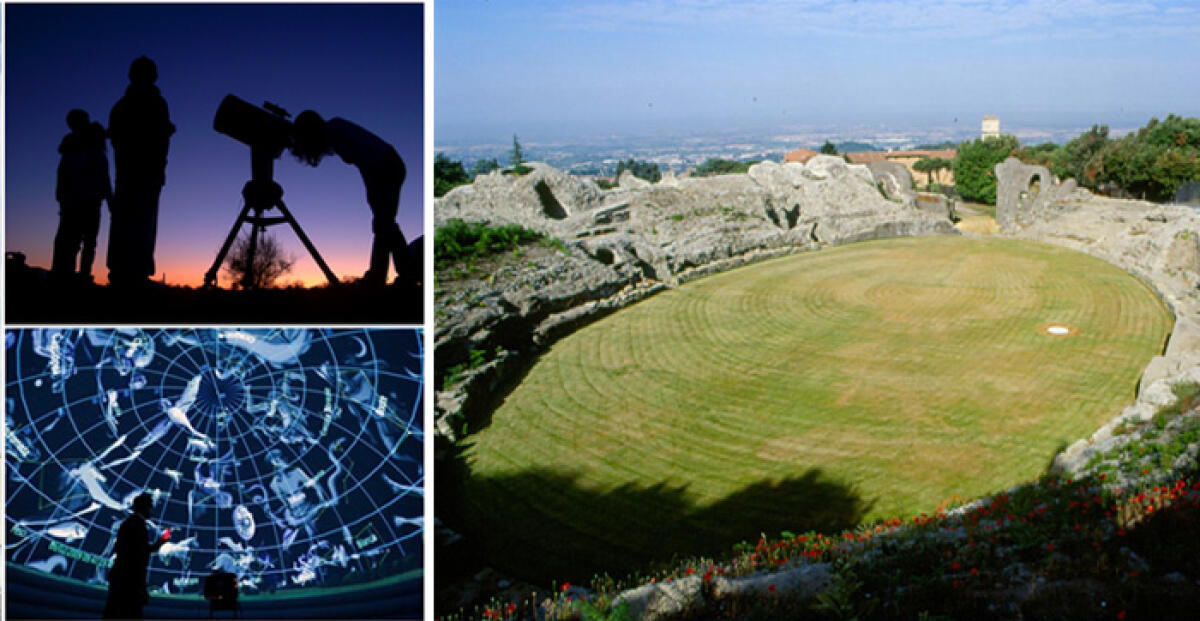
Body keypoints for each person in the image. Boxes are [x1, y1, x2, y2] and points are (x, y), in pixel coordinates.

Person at [290, 110, 409, 287]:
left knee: (383, 224)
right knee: (386, 224)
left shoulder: (335, 132)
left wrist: (372, 190)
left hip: (386, 168)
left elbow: (365, 160)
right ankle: (404, 272)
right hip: (386, 166)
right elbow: (363, 161)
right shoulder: (335, 131)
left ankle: (379, 277)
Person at [107, 56, 175, 287]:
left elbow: (117, 137)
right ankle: (131, 273)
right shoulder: (154, 104)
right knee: (138, 223)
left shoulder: (122, 105)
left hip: (135, 173)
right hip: (142, 173)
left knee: (129, 223)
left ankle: (125, 272)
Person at [52, 109, 111, 282]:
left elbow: (103, 176)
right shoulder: (72, 147)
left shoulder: (92, 145)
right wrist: (61, 195)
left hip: (87, 201)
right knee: (73, 242)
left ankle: (80, 275)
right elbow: (63, 173)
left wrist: (109, 199)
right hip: (75, 201)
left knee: (84, 242)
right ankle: (67, 274)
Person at [103, 493, 169, 619]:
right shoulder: (136, 525)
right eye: (150, 506)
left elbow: (139, 550)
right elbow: (138, 554)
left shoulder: (131, 523)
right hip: (128, 581)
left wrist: (160, 542)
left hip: (123, 578)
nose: (152, 510)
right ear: (144, 507)